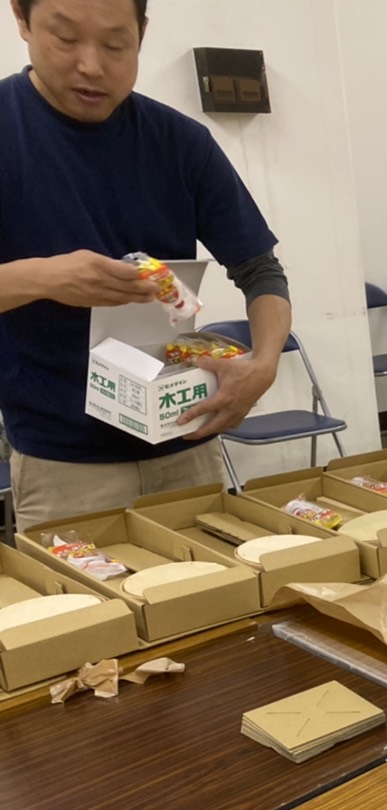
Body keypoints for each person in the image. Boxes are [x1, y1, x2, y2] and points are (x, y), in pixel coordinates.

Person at [0, 0, 291, 532]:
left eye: (116, 45)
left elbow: (260, 270)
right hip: (63, 462)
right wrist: (44, 278)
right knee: (80, 590)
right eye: (66, 39)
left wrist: (264, 364)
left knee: (207, 581)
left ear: (142, 34)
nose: (92, 65)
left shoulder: (180, 141)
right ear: (22, 20)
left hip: (186, 436)